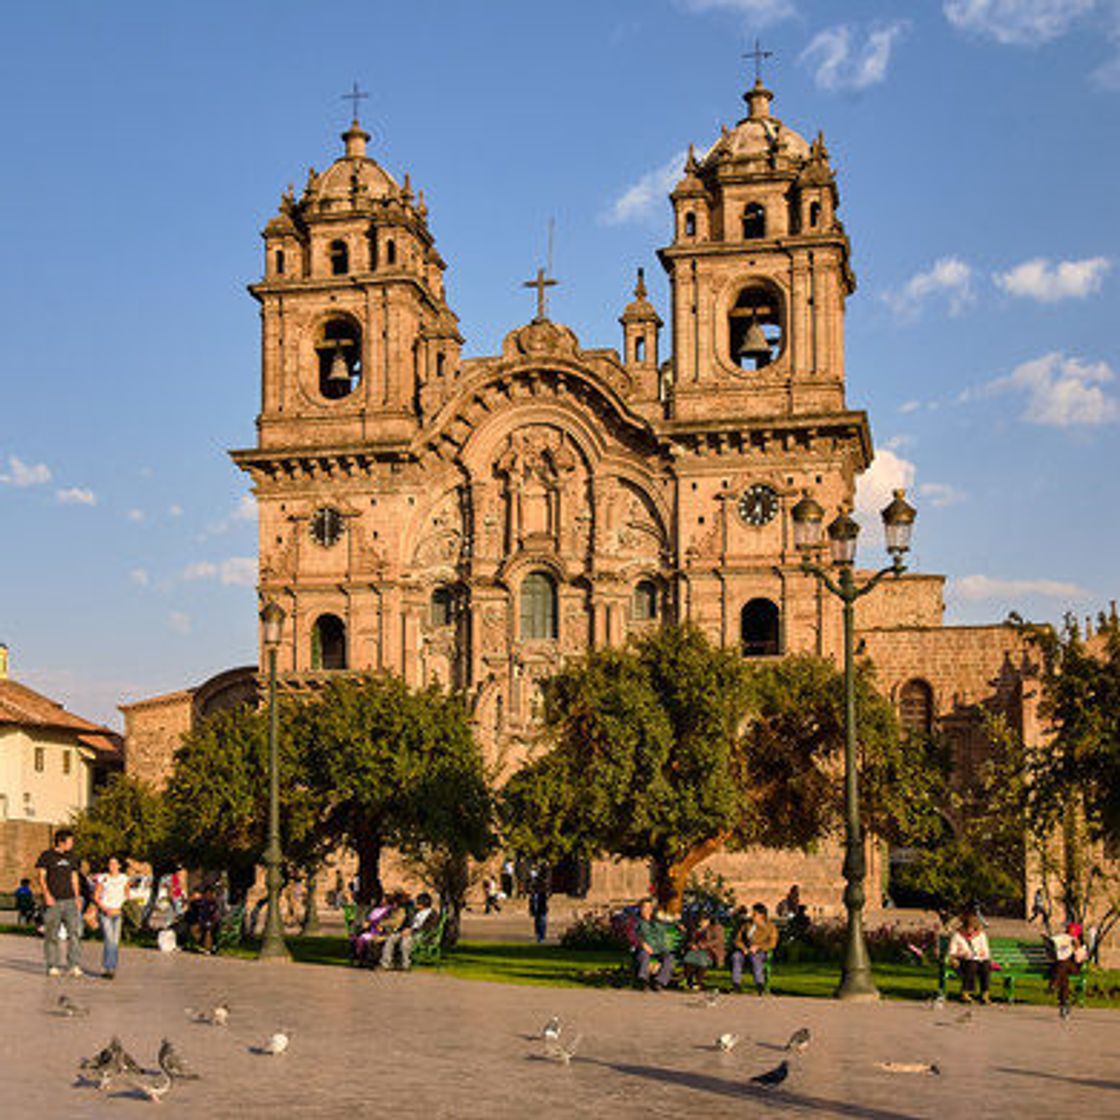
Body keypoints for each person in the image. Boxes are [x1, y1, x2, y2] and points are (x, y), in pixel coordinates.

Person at [35, 828, 84, 977]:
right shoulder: (47, 856)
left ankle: (73, 965)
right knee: (52, 934)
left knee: (75, 933)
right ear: (61, 842)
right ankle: (52, 965)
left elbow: (74, 877)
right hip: (53, 901)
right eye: (70, 841)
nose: (72, 844)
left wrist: (77, 897)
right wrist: (47, 895)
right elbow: (42, 878)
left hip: (70, 900)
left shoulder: (72, 857)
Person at [380, 892, 438, 970]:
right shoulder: (415, 912)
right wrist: (402, 930)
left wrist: (412, 930)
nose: (416, 903)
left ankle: (405, 964)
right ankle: (387, 963)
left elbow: (429, 928)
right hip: (408, 931)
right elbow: (407, 923)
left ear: (423, 903)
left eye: (417, 902)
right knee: (392, 938)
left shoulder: (432, 914)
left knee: (406, 941)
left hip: (421, 934)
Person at [94, 856, 130, 979]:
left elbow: (127, 895)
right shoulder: (103, 878)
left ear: (119, 865)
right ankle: (107, 967)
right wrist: (104, 908)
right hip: (106, 913)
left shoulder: (124, 878)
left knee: (115, 941)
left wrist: (123, 907)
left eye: (115, 864)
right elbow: (96, 896)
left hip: (118, 913)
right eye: (110, 863)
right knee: (109, 940)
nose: (112, 866)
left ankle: (112, 968)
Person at [730, 902, 777, 994]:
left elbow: (772, 943)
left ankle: (760, 985)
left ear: (761, 915)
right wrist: (743, 948)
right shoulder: (747, 925)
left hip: (760, 951)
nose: (752, 916)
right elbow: (737, 940)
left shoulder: (770, 927)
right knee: (736, 956)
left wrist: (758, 947)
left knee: (756, 958)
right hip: (745, 951)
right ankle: (736, 984)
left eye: (754, 914)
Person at [632, 898, 676, 991]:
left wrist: (678, 925)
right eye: (644, 907)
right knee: (644, 955)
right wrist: (642, 944)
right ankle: (643, 981)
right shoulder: (636, 921)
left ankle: (659, 982)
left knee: (669, 958)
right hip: (644, 948)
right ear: (640, 909)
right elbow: (631, 935)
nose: (647, 910)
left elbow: (670, 923)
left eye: (649, 908)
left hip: (659, 949)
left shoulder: (657, 921)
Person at [948, 911, 992, 1004]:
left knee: (986, 965)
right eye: (969, 928)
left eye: (974, 929)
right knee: (972, 965)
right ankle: (966, 992)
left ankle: (985, 993)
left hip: (978, 959)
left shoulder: (981, 935)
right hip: (962, 961)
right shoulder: (957, 935)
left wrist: (982, 954)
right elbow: (952, 952)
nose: (971, 931)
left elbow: (986, 951)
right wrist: (962, 954)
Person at [1049, 921, 1087, 1018]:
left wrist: (1076, 948)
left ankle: (1054, 984)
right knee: (1064, 978)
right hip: (1060, 968)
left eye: (1073, 933)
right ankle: (1064, 1004)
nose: (1070, 934)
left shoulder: (1082, 944)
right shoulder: (1062, 938)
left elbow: (1079, 960)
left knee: (1063, 965)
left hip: (1073, 967)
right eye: (1069, 932)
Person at [682, 913, 724, 990]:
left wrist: (701, 946)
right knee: (688, 957)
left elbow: (717, 941)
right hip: (695, 951)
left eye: (703, 921)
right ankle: (688, 980)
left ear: (708, 921)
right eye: (700, 921)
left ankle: (698, 982)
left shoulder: (716, 928)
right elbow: (689, 940)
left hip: (711, 952)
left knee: (701, 959)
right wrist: (691, 945)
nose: (701, 923)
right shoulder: (695, 928)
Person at [185, 885, 221, 953]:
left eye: (212, 893)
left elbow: (216, 916)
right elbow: (191, 915)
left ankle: (208, 947)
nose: (210, 895)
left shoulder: (214, 904)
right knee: (198, 930)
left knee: (208, 930)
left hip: (208, 925)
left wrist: (212, 922)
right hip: (197, 924)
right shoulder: (197, 903)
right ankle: (199, 945)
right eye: (208, 893)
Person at [528, 872, 549, 943]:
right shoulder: (534, 895)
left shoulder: (541, 893)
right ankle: (539, 936)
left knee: (541, 922)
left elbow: (545, 898)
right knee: (539, 923)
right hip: (538, 909)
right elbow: (531, 902)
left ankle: (541, 936)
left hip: (541, 909)